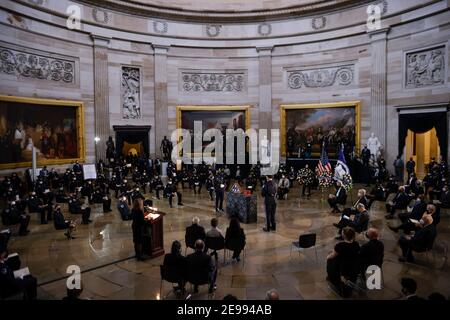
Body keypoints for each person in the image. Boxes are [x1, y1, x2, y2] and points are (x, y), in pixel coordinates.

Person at [326, 227, 360, 297]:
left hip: (343, 268)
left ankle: (332, 277)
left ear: (344, 235)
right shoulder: (356, 244)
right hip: (354, 266)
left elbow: (332, 256)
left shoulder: (340, 246)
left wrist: (328, 257)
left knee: (330, 261)